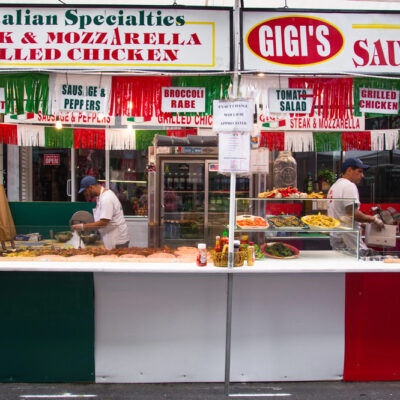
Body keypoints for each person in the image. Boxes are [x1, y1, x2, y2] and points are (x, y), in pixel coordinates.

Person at [327, 158, 384, 255]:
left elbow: (342, 214)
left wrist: (362, 224)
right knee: (361, 267)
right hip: (349, 239)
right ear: (349, 170)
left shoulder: (334, 186)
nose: (362, 176)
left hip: (337, 237)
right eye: (359, 172)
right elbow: (354, 214)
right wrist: (373, 219)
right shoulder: (349, 186)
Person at [72, 176, 130, 249]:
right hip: (110, 237)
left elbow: (103, 222)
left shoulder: (106, 198)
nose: (85, 194)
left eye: (85, 191)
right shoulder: (100, 196)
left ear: (91, 187)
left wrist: (83, 226)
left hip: (117, 241)